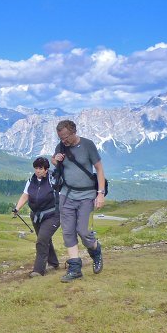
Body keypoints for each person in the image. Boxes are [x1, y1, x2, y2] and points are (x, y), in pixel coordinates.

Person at [52, 119, 105, 282]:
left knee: (82, 231)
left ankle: (95, 250)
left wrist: (100, 193)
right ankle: (75, 268)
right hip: (66, 195)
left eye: (66, 137)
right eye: (60, 137)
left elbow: (99, 169)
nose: (63, 140)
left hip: (86, 195)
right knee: (67, 232)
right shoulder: (61, 147)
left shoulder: (88, 145)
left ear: (74, 132)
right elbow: (54, 161)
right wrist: (56, 160)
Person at [12, 157, 61, 277]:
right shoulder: (31, 181)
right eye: (36, 168)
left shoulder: (53, 180)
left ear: (46, 169)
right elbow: (25, 195)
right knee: (45, 239)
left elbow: (62, 193)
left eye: (40, 168)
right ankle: (54, 263)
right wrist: (17, 208)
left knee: (41, 241)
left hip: (53, 215)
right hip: (36, 216)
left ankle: (38, 270)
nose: (38, 171)